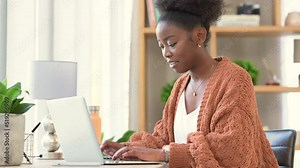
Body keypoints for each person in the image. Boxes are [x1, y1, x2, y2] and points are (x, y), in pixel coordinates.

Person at [101, 0, 279, 167]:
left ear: (199, 36)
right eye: (161, 46)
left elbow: (233, 150)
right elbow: (162, 138)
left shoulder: (235, 80)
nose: (166, 53)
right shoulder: (180, 87)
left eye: (171, 43)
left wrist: (165, 155)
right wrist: (124, 148)